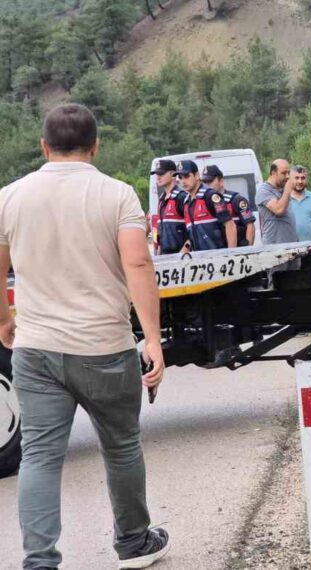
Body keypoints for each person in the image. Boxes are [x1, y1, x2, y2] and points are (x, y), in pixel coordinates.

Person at [0, 103, 168, 569]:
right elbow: (138, 265)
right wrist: (152, 339)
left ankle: (39, 561)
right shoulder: (117, 196)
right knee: (121, 446)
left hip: (35, 351)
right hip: (104, 349)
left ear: (43, 146)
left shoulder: (9, 197)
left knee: (39, 457)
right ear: (96, 146)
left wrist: (4, 320)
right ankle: (134, 543)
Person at [178, 160, 236, 251]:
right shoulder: (186, 203)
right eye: (180, 177)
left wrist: (231, 254)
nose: (183, 181)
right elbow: (192, 236)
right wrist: (181, 256)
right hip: (200, 260)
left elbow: (230, 225)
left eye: (187, 176)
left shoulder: (210, 196)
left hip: (218, 256)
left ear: (197, 175)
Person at [201, 165, 256, 248]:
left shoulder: (237, 200)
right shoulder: (202, 203)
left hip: (237, 250)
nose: (207, 185)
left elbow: (250, 225)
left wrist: (248, 250)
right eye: (204, 182)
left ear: (221, 181)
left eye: (210, 181)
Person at [288, 165, 311, 270]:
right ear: (290, 179)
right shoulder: (284, 199)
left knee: (310, 283)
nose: (300, 181)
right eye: (296, 178)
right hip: (290, 252)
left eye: (303, 178)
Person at [151, 159, 189, 256]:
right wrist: (159, 256)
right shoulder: (161, 200)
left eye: (161, 174)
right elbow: (161, 232)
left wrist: (181, 255)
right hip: (165, 256)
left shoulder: (181, 197)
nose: (158, 177)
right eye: (157, 174)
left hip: (181, 257)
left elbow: (192, 231)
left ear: (173, 174)